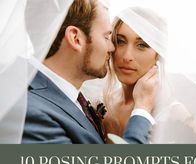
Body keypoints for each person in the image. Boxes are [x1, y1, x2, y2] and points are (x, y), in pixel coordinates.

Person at [22, 0, 158, 144]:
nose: (113, 48)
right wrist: (142, 110)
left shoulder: (74, 99)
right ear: (75, 38)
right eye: (107, 37)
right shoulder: (31, 112)